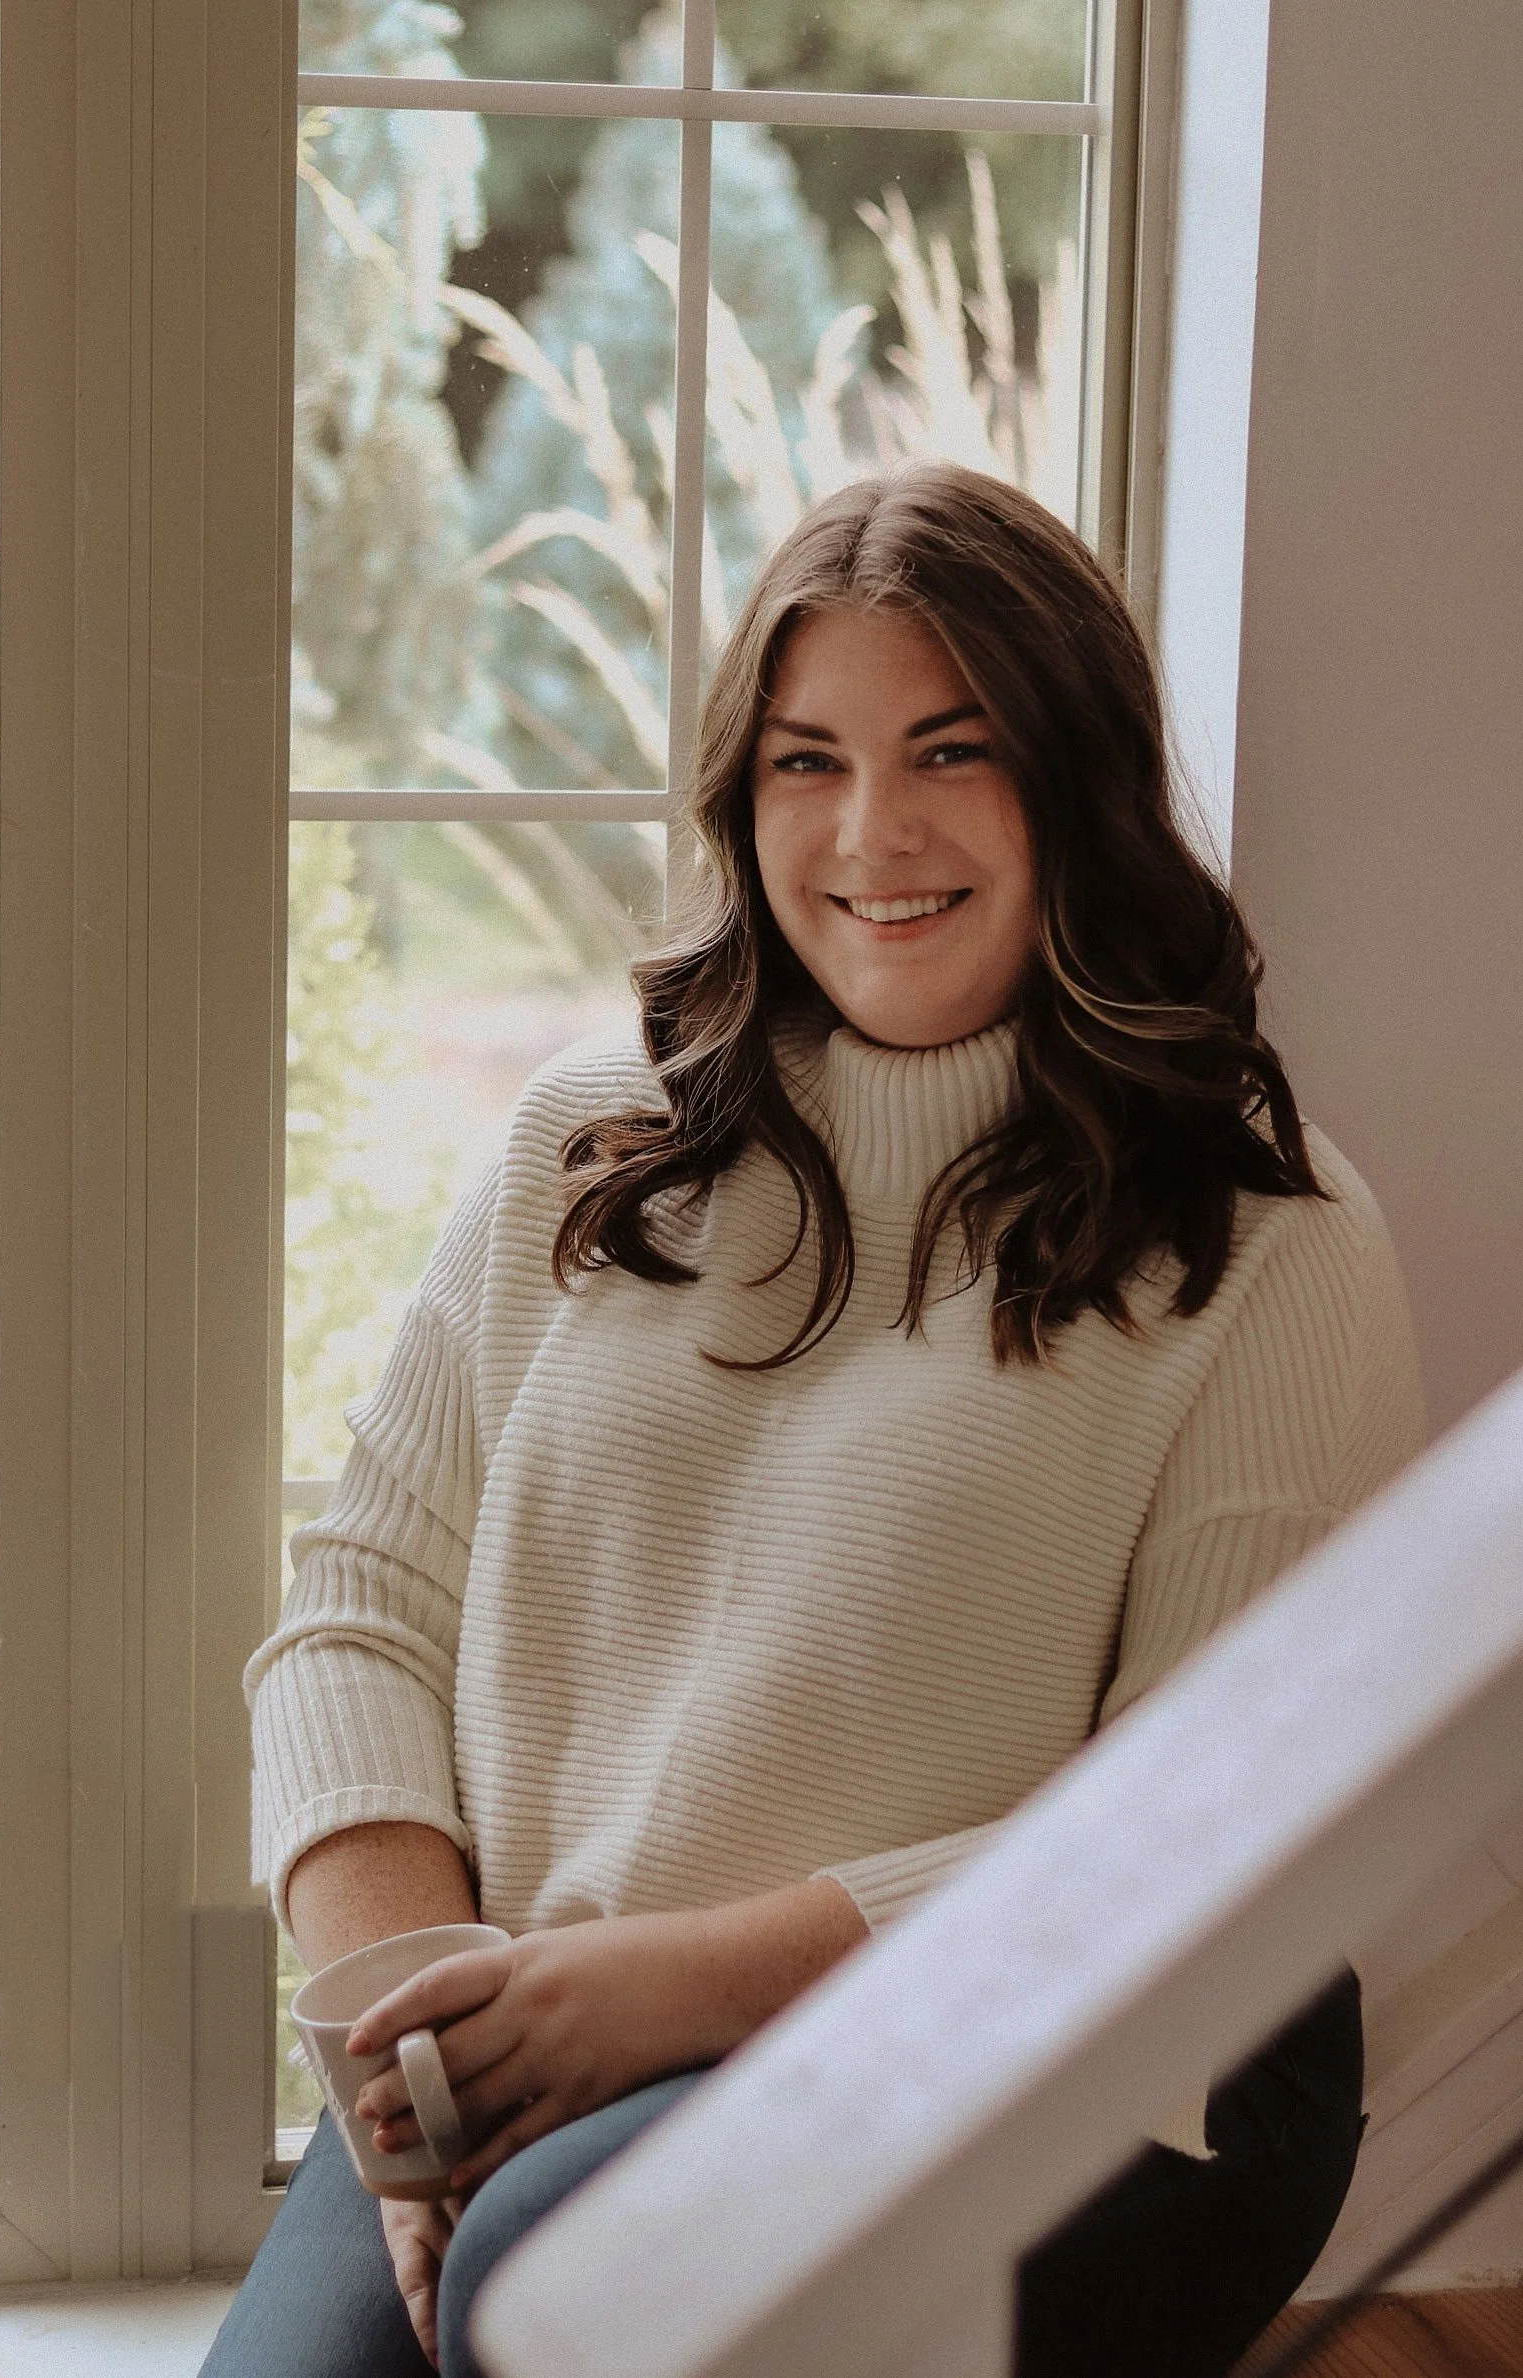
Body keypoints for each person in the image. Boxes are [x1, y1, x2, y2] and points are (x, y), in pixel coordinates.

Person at [206, 462, 1421, 2378]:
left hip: (1088, 2052)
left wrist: (665, 1990)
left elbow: (1205, 1835)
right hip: (549, 2042)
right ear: (740, 791)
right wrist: (419, 2057)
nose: (874, 832)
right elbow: (353, 1622)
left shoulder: (1262, 1247)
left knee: (556, 2282)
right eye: (807, 761)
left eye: (956, 752)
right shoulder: (585, 1144)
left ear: (1076, 785)